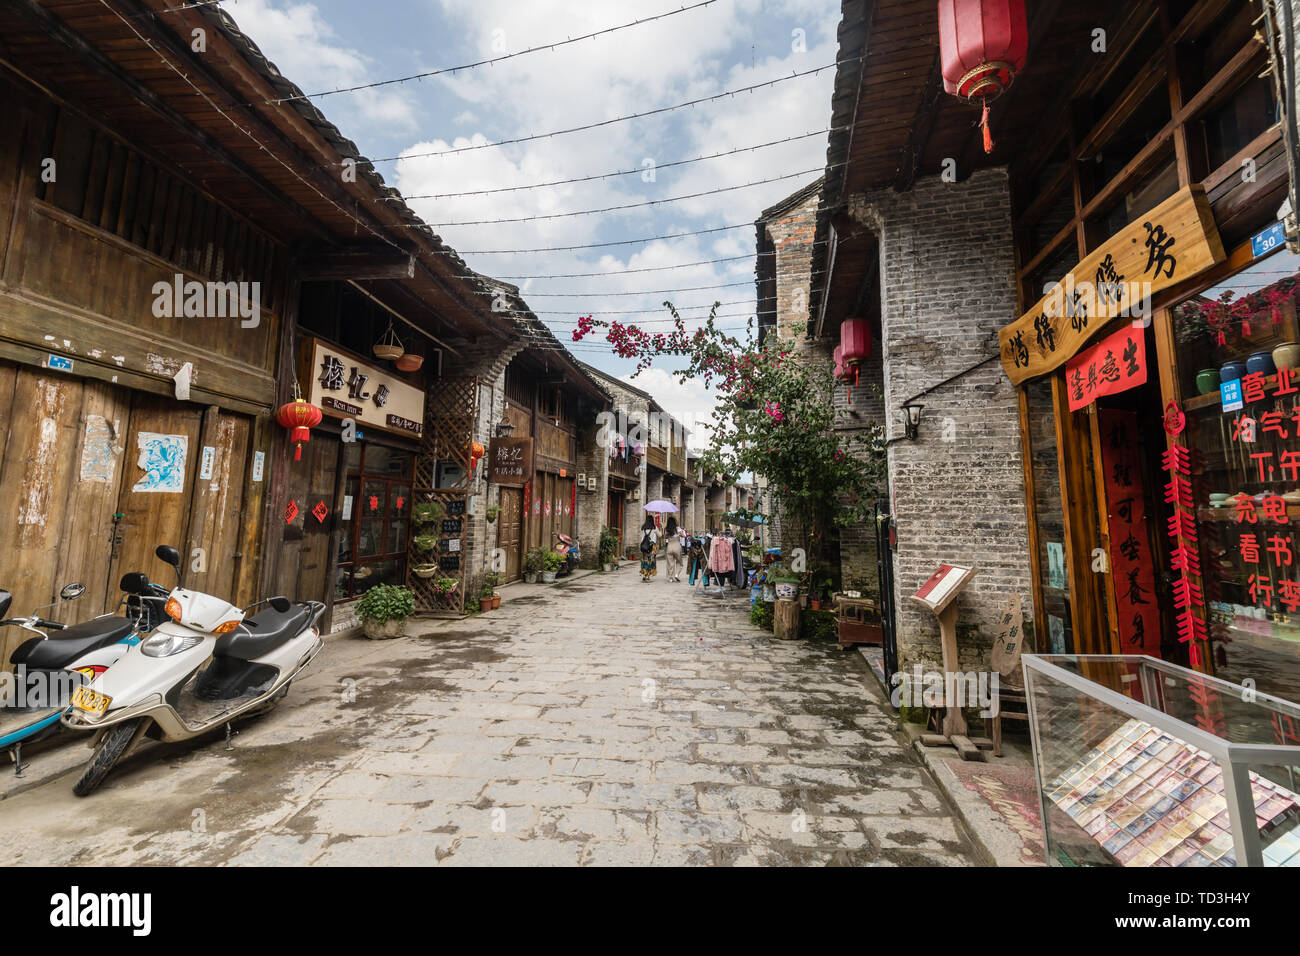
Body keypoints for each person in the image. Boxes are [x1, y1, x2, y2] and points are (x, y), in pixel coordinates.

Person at [638, 516, 659, 582]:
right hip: (652, 547)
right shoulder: (654, 528)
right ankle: (647, 576)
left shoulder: (643, 528)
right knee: (650, 561)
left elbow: (642, 538)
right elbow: (660, 535)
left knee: (645, 560)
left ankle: (644, 574)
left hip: (644, 546)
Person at [664, 516, 682, 582]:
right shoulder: (678, 528)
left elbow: (665, 537)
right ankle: (676, 574)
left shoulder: (666, 529)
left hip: (669, 547)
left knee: (670, 563)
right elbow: (683, 535)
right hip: (677, 546)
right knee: (679, 562)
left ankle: (670, 577)